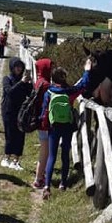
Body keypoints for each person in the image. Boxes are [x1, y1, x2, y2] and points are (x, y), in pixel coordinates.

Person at [40, 62, 91, 200]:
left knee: (52, 156)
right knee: (64, 155)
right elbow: (83, 85)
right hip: (67, 125)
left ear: (53, 78)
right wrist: (86, 70)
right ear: (64, 78)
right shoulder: (69, 92)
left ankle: (47, 186)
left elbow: (44, 111)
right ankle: (63, 183)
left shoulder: (49, 92)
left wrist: (45, 124)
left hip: (54, 126)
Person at [0, 57, 32, 170]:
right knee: (10, 135)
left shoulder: (24, 80)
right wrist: (21, 83)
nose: (18, 69)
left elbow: (30, 94)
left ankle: (16, 160)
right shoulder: (7, 79)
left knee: (20, 135)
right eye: (16, 66)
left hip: (21, 111)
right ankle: (6, 158)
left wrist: (28, 83)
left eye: (20, 66)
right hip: (8, 110)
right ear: (12, 67)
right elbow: (10, 92)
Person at [30, 57, 54, 189]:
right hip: (44, 122)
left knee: (44, 149)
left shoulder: (38, 81)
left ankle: (40, 175)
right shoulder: (45, 84)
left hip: (40, 121)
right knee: (45, 151)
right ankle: (39, 178)